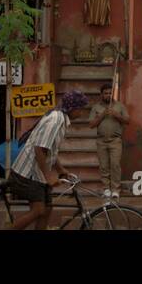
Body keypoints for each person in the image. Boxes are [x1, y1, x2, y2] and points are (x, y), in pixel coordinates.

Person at [8, 90, 88, 230]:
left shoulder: (61, 119)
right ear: (73, 108)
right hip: (28, 173)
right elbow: (39, 149)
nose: (81, 113)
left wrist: (61, 170)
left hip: (37, 174)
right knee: (38, 210)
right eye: (80, 109)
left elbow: (50, 150)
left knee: (47, 210)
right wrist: (49, 177)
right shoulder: (55, 120)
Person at [87, 83, 130, 198]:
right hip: (101, 141)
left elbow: (127, 121)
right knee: (104, 166)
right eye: (106, 93)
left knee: (115, 165)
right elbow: (91, 124)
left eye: (110, 93)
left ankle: (115, 189)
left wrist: (116, 115)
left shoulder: (120, 106)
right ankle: (106, 189)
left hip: (115, 140)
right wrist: (102, 115)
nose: (108, 95)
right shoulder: (96, 107)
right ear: (101, 95)